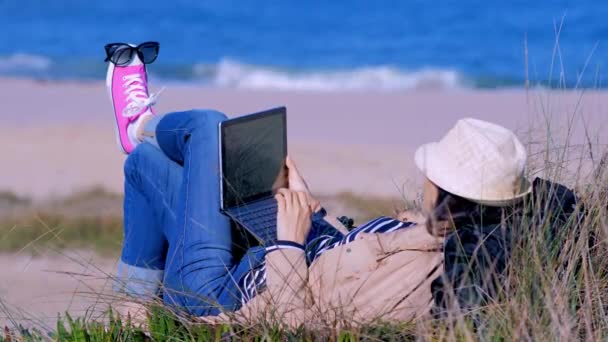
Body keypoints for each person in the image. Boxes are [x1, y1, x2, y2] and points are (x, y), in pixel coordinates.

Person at [107, 43, 533, 327]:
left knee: (206, 126)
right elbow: (349, 259)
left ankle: (138, 123)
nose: (424, 179)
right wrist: (315, 211)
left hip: (219, 294)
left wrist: (291, 244)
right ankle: (130, 307)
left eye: (433, 174)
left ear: (445, 193)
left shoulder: (423, 277)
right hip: (267, 254)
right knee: (143, 164)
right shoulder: (434, 234)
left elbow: (304, 324)